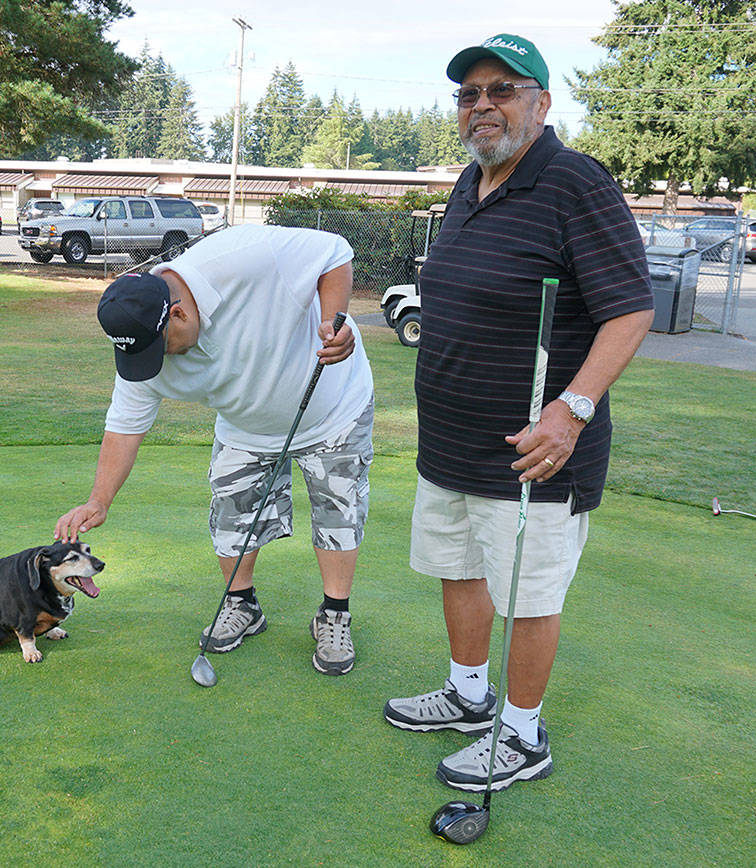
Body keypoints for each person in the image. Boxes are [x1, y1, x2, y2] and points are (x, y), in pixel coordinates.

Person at [383, 34, 654, 791]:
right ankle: (470, 695)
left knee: (528, 597)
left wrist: (570, 412)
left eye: (501, 90)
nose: (482, 106)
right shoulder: (468, 186)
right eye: (468, 94)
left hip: (533, 452)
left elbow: (630, 310)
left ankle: (523, 733)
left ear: (541, 101)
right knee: (457, 569)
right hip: (449, 445)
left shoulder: (575, 182)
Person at [54, 224, 374, 675]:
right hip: (244, 423)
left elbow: (335, 250)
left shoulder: (242, 255)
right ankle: (242, 605)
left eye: (160, 349)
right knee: (231, 515)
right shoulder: (142, 349)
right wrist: (99, 499)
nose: (156, 364)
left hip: (333, 407)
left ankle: (334, 615)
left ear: (180, 315)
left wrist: (333, 320)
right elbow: (125, 426)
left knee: (337, 511)